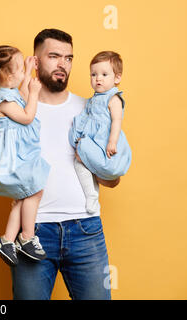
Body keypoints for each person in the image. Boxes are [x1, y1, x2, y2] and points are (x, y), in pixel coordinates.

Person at [11, 29, 119, 300]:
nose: (63, 64)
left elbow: (113, 178)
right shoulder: (16, 112)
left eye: (68, 58)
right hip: (32, 234)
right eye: (54, 56)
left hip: (86, 231)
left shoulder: (91, 110)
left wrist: (95, 163)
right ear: (35, 61)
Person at [0, 39, 50, 267]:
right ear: (6, 76)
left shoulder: (6, 89)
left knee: (24, 196)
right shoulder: (3, 100)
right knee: (34, 190)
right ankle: (26, 237)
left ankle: (7, 239)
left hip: (18, 153)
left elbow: (21, 92)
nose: (21, 76)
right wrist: (35, 92)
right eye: (17, 70)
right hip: (11, 157)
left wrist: (27, 70)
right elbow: (27, 114)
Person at [69, 51, 131, 213]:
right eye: (93, 74)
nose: (98, 78)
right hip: (91, 139)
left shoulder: (113, 98)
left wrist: (112, 141)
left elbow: (117, 120)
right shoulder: (93, 99)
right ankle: (91, 194)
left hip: (103, 141)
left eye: (104, 74)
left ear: (117, 78)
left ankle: (93, 194)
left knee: (85, 160)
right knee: (79, 162)